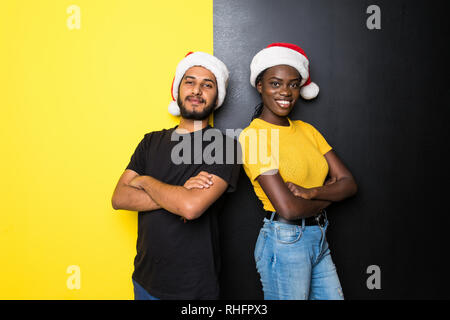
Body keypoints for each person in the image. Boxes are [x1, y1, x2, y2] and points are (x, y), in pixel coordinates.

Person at [112, 51, 240, 300]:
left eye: (207, 85)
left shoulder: (225, 146)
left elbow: (191, 207)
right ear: (178, 89)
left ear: (217, 97)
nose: (197, 90)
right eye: (189, 81)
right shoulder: (150, 141)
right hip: (145, 281)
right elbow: (119, 198)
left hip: (193, 288)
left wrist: (145, 181)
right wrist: (179, 192)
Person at [239, 43, 358, 300]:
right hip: (285, 241)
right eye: (276, 83)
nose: (285, 92)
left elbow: (350, 184)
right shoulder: (253, 137)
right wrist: (329, 196)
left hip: (319, 237)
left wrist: (311, 192)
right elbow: (289, 209)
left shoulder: (307, 130)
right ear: (260, 86)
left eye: (293, 84)